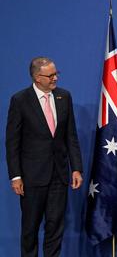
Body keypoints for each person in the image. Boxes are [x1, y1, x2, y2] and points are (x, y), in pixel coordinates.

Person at [5, 57, 83, 257]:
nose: (55, 78)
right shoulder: (20, 100)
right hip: (32, 177)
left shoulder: (64, 97)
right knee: (30, 229)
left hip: (59, 174)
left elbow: (70, 135)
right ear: (37, 77)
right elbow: (12, 141)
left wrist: (76, 168)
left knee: (55, 226)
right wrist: (15, 176)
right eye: (50, 75)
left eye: (56, 73)